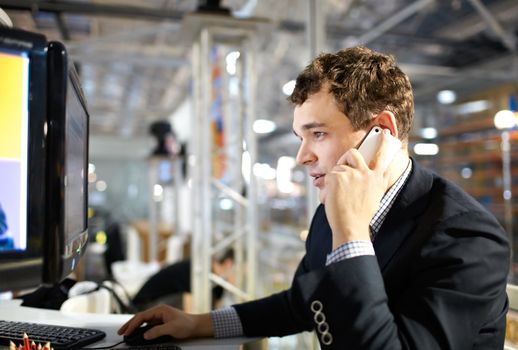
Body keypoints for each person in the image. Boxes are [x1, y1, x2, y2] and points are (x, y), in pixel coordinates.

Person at [119, 47, 510, 349]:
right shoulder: (331, 211)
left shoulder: (467, 237)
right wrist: (199, 323)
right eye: (300, 137)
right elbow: (303, 302)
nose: (301, 156)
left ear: (382, 132)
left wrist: (352, 234)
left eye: (318, 134)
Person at [132, 249, 235, 311]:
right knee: (194, 301)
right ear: (228, 264)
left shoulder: (219, 284)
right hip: (143, 307)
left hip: (161, 305)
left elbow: (215, 312)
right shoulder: (199, 271)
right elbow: (194, 314)